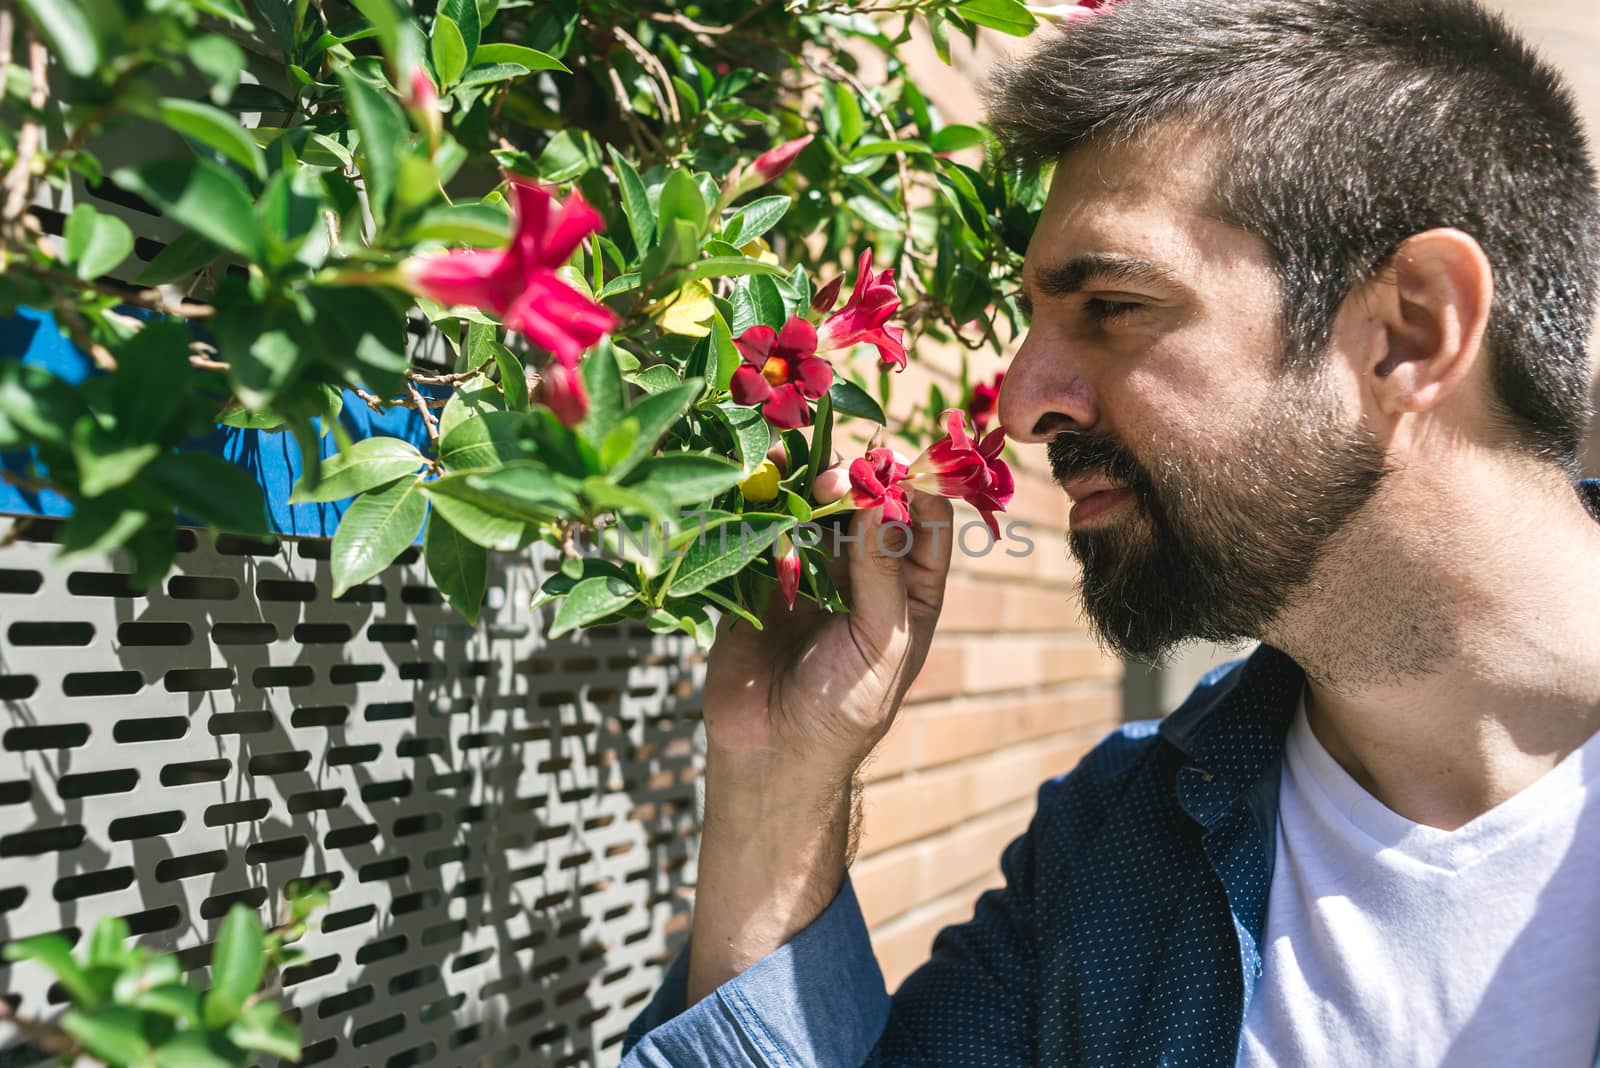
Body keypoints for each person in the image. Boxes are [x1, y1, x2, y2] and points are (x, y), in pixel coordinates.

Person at [618, 0, 1600, 1063]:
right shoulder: (1113, 846)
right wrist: (778, 780)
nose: (1020, 406)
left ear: (1410, 327)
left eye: (1116, 305)